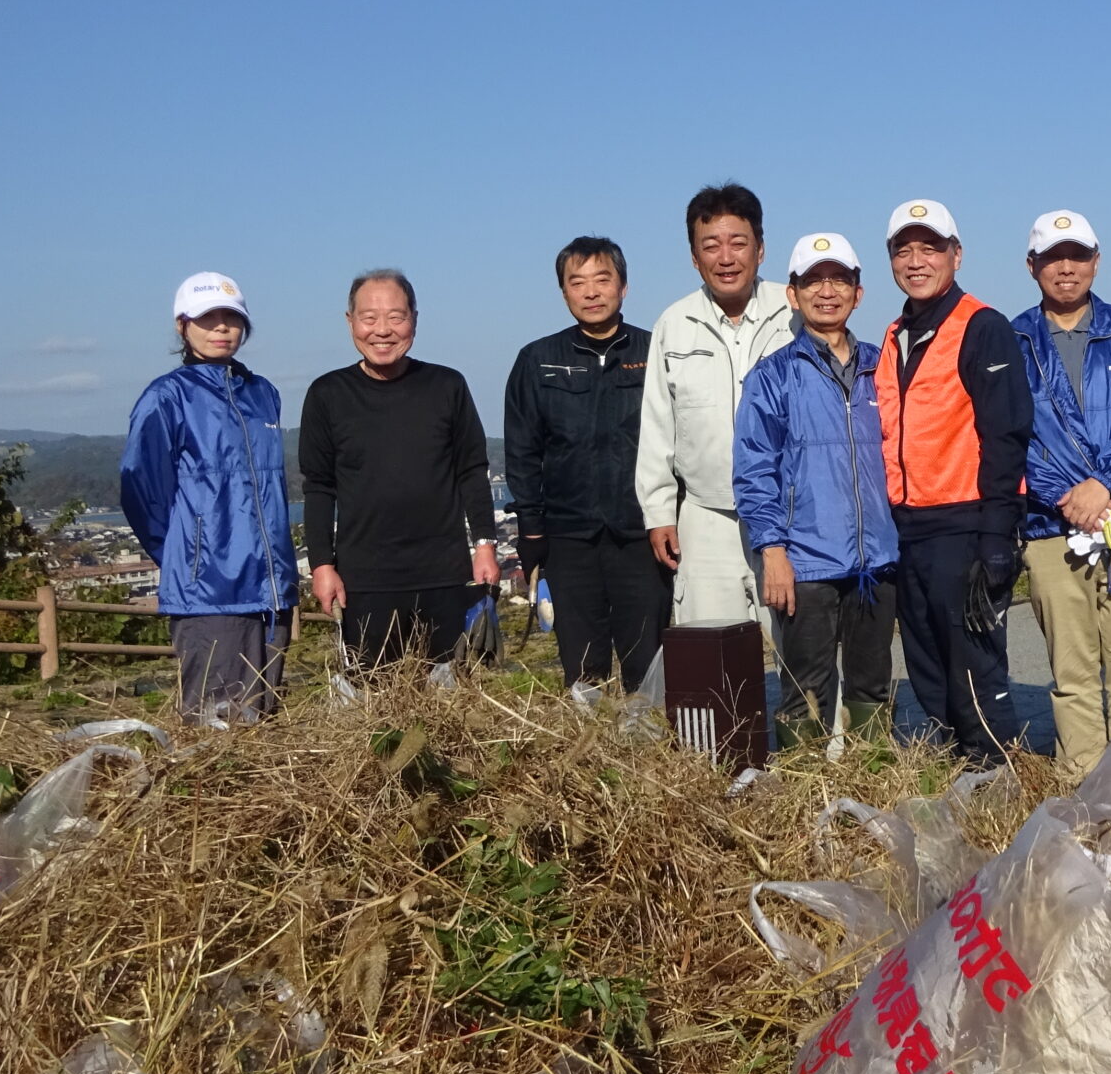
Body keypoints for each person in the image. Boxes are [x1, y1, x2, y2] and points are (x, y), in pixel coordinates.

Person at [1012, 209, 1111, 777]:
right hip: (1051, 528)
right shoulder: (1012, 339)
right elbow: (1008, 435)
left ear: (1097, 261)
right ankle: (1080, 784)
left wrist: (1101, 483)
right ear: (1032, 266)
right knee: (1072, 674)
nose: (1066, 268)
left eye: (1077, 255)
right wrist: (1067, 496)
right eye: (1053, 257)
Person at [734, 232, 902, 748]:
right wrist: (773, 551)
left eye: (839, 279)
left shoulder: (884, 366)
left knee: (872, 687)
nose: (826, 291)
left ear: (858, 292)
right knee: (805, 690)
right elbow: (753, 471)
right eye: (813, 280)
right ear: (792, 293)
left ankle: (870, 789)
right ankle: (805, 801)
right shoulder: (773, 376)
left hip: (875, 561)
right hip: (805, 562)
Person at [880, 199, 1033, 765]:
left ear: (956, 254)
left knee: (976, 672)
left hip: (964, 528)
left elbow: (1007, 434)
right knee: (928, 671)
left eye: (930, 248)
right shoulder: (895, 334)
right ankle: (953, 784)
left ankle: (999, 780)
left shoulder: (982, 327)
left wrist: (996, 538)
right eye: (904, 249)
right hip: (909, 531)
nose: (916, 261)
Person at [119, 273, 299, 724]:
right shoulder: (167, 397)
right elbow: (141, 487)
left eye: (231, 318)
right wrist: (185, 553)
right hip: (210, 589)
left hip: (271, 587)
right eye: (208, 318)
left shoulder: (263, 394)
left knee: (262, 719)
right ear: (183, 325)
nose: (222, 328)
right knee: (215, 725)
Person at [301, 269, 500, 668]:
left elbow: (472, 471)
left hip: (444, 574)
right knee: (375, 700)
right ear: (350, 322)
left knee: (451, 696)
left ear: (414, 319)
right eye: (369, 318)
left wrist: (485, 545)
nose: (383, 330)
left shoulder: (447, 386)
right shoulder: (327, 395)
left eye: (396, 316)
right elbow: (319, 488)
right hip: (365, 581)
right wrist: (322, 565)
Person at [503, 236, 664, 695]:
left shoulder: (655, 352)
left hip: (641, 533)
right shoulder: (538, 360)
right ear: (564, 293)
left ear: (624, 286)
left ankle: (649, 750)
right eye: (578, 282)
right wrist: (532, 527)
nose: (591, 292)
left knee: (647, 658)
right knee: (582, 665)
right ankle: (588, 754)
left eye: (602, 279)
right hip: (569, 536)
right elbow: (522, 450)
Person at [636, 183, 795, 627]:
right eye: (711, 246)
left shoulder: (794, 314)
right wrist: (658, 512)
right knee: (713, 664)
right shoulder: (674, 324)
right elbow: (657, 427)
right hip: (705, 516)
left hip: (789, 514)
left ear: (760, 249)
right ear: (694, 257)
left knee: (803, 658)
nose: (726, 258)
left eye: (738, 243)